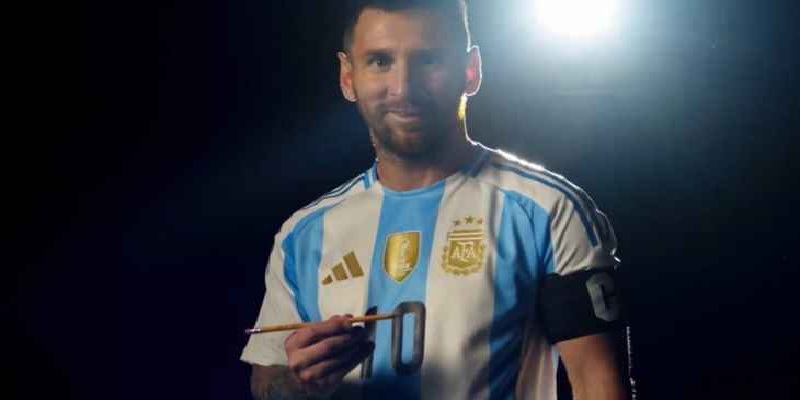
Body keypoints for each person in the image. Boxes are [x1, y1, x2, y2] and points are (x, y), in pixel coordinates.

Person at [241, 1, 631, 399]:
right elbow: (266, 384)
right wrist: (300, 382)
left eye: (428, 60)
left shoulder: (548, 211)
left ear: (471, 70)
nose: (403, 88)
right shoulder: (301, 236)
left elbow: (600, 386)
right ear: (348, 76)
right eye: (380, 61)